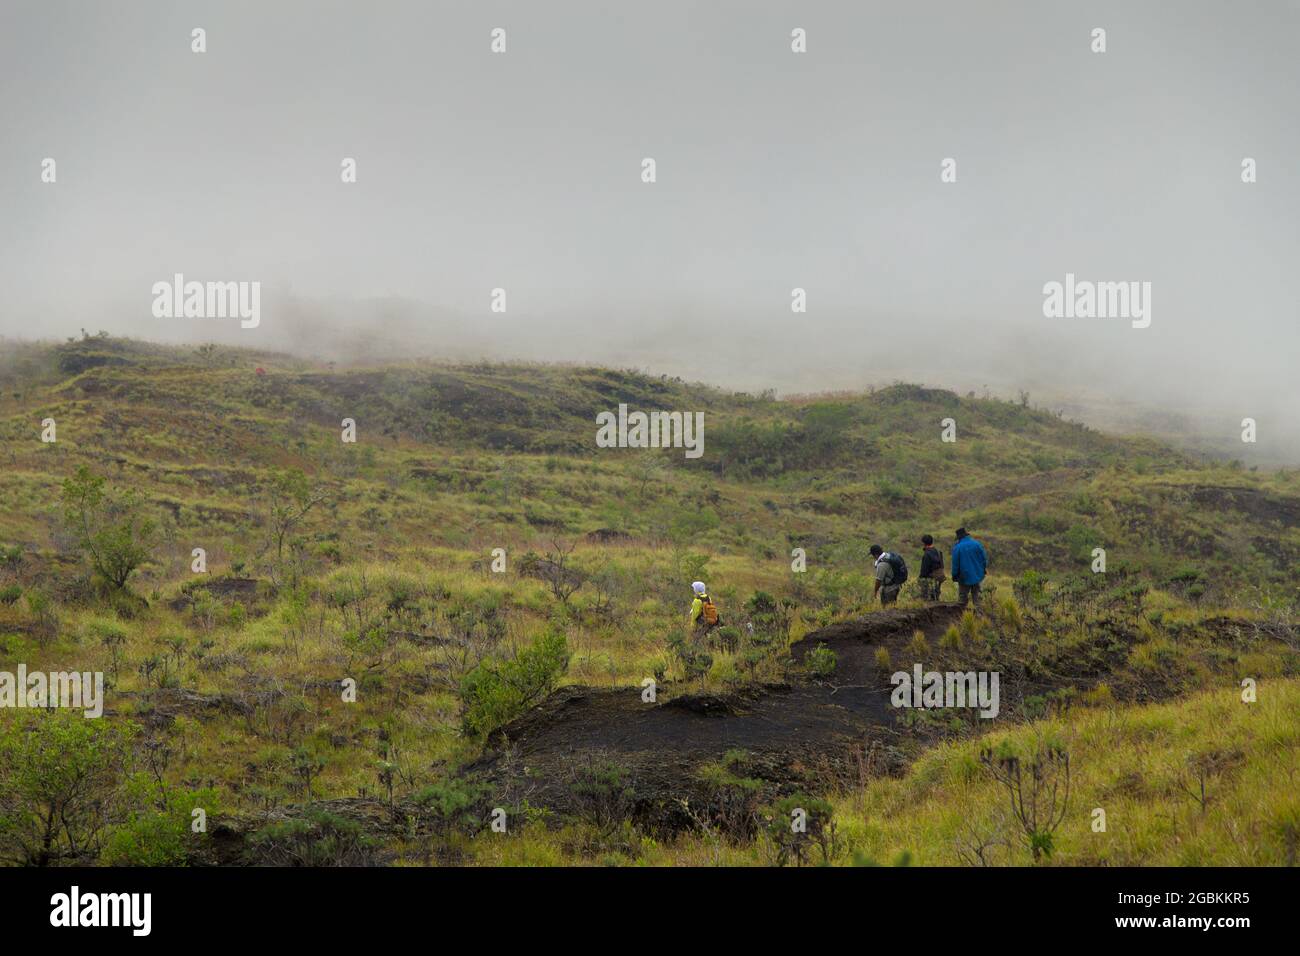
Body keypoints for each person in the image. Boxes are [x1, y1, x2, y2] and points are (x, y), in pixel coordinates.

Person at [949, 527, 988, 606]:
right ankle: (980, 616)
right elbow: (984, 559)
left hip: (964, 578)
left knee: (962, 601)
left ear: (959, 538)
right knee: (978, 601)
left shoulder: (957, 548)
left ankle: (962, 616)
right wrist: (982, 570)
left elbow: (955, 564)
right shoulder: (977, 544)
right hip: (978, 576)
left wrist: (954, 575)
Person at [919, 534, 945, 601]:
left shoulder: (927, 555)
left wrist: (920, 579)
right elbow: (942, 565)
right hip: (939, 578)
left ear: (924, 543)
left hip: (929, 580)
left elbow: (924, 571)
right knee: (936, 596)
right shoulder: (938, 552)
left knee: (927, 599)